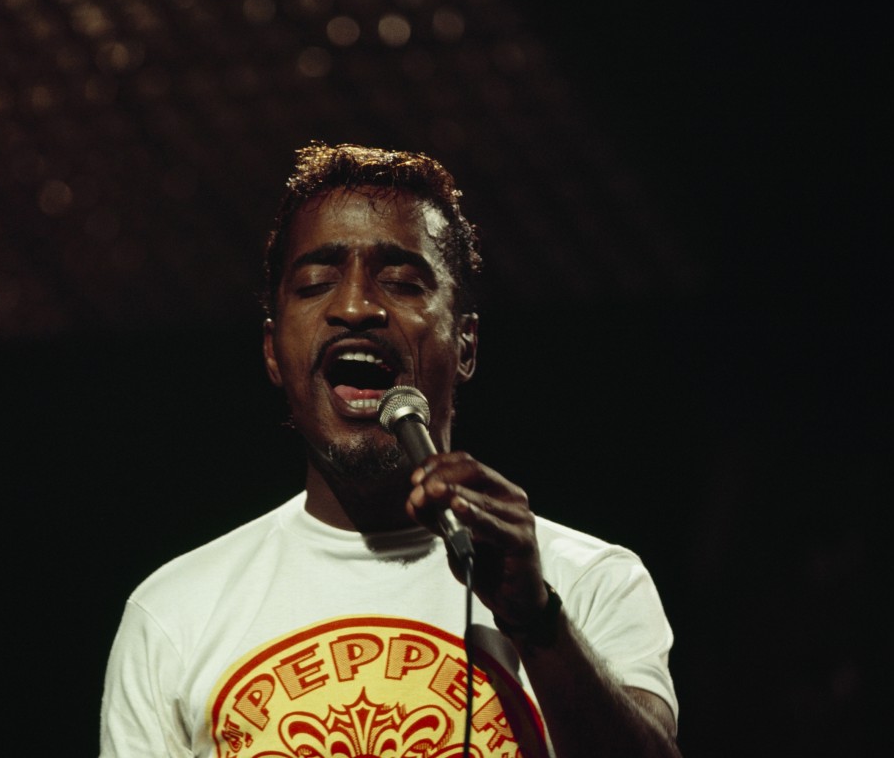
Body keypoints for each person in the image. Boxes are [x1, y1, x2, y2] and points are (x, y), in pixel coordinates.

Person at [99, 143, 680, 757]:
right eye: (316, 283)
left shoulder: (588, 578)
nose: (355, 306)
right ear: (272, 351)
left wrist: (536, 621)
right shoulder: (175, 610)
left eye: (401, 282)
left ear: (465, 344)